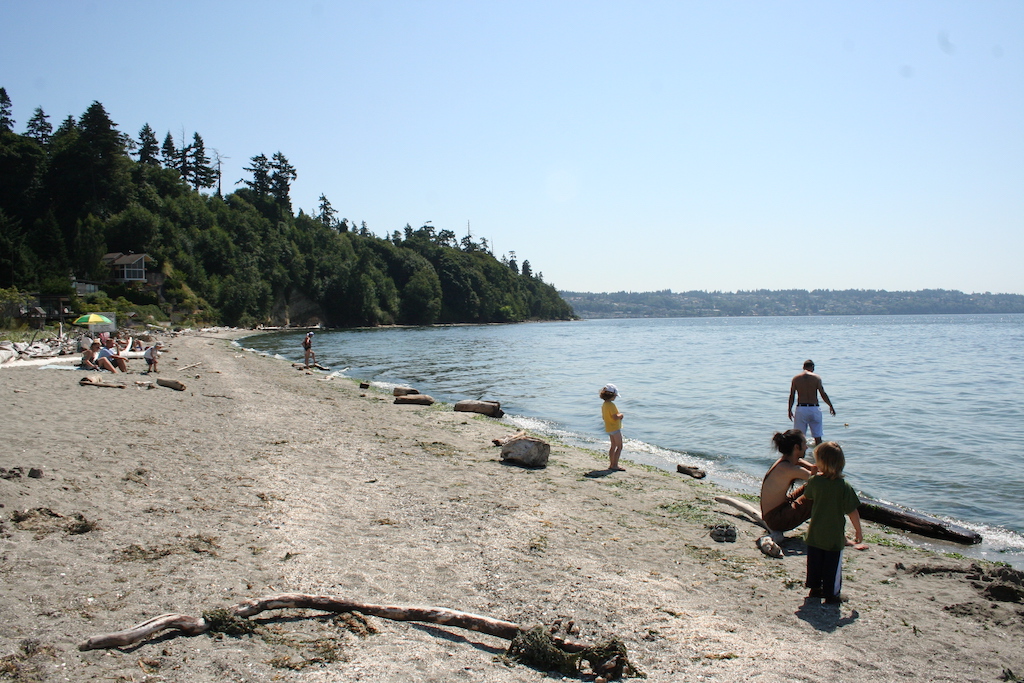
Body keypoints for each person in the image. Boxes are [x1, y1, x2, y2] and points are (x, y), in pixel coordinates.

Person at [795, 441, 867, 604]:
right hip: (834, 535)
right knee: (832, 565)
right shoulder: (843, 486)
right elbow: (852, 511)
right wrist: (858, 531)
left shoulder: (815, 482)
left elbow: (809, 495)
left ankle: (815, 588)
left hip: (815, 532)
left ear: (820, 463)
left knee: (815, 562)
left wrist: (813, 476)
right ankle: (832, 594)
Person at [760, 429, 816, 539]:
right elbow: (819, 481)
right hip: (776, 519)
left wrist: (815, 467)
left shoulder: (786, 461)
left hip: (778, 512)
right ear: (796, 447)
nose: (807, 447)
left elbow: (810, 468)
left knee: (809, 488)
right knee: (820, 493)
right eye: (804, 444)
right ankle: (836, 535)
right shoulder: (789, 468)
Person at [788, 359, 836, 445]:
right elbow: (823, 393)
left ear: (803, 367)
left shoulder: (796, 378)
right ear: (812, 367)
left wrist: (789, 410)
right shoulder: (816, 378)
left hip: (801, 408)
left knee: (799, 437)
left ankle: (799, 457)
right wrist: (830, 406)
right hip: (814, 408)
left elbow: (792, 395)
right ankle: (819, 457)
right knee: (818, 437)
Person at [599, 383, 625, 472]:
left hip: (608, 427)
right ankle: (615, 465)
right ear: (612, 395)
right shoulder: (611, 405)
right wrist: (620, 415)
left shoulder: (604, 405)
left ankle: (611, 464)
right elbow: (615, 417)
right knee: (619, 446)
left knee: (613, 446)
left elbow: (604, 416)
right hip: (615, 428)